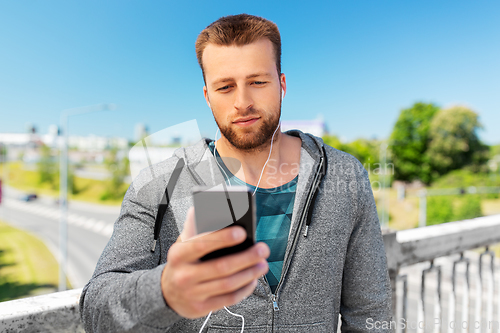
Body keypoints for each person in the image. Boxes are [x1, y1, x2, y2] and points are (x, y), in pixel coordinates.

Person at [80, 13, 392, 332]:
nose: (242, 102)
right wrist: (166, 291)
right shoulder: (159, 183)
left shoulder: (345, 175)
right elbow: (97, 310)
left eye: (257, 82)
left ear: (282, 85)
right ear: (207, 96)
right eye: (225, 87)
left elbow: (371, 311)